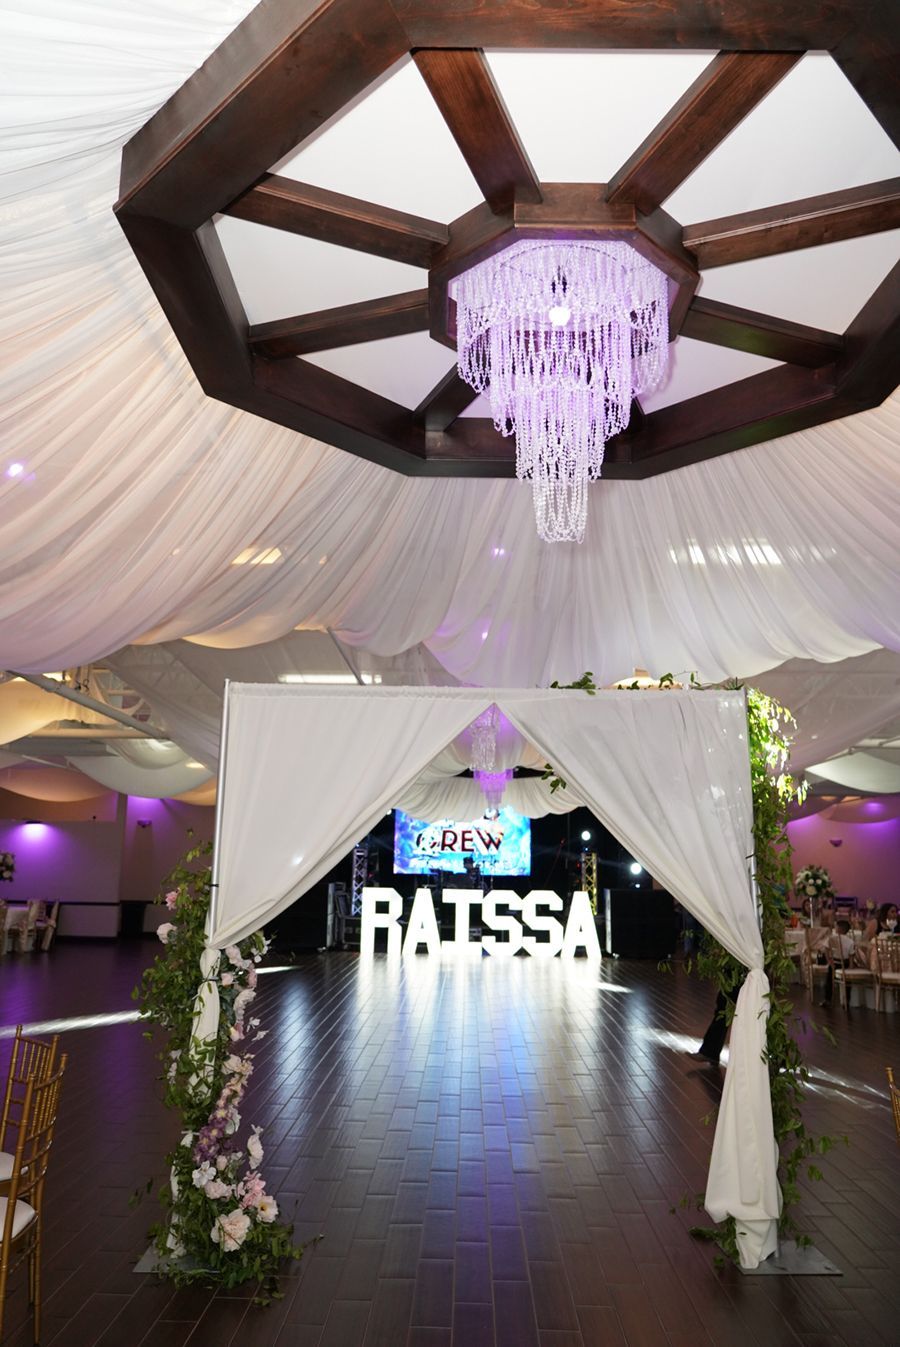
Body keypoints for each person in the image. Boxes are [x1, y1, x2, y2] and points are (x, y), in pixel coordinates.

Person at [819, 919, 855, 1006]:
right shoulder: (850, 941)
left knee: (829, 981)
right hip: (845, 963)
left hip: (834, 963)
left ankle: (827, 999)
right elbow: (851, 955)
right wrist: (851, 966)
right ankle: (847, 1000)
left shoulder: (832, 938)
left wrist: (829, 960)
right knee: (847, 982)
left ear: (839, 929)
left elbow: (826, 949)